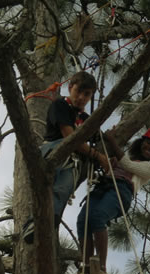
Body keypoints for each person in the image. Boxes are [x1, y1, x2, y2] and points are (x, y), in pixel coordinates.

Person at [23, 71, 112, 243]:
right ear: (70, 87)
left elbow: (98, 138)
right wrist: (98, 156)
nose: (81, 97)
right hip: (53, 150)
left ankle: (47, 222)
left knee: (62, 190)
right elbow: (70, 138)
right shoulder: (60, 105)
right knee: (53, 182)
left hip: (73, 161)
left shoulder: (86, 119)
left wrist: (109, 139)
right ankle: (33, 222)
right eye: (78, 91)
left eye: (87, 94)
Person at [76, 127, 150, 274]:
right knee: (82, 221)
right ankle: (87, 267)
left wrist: (112, 141)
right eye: (148, 143)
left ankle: (101, 268)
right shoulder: (124, 156)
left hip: (121, 191)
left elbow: (128, 165)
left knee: (98, 216)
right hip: (102, 187)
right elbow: (115, 164)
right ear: (142, 142)